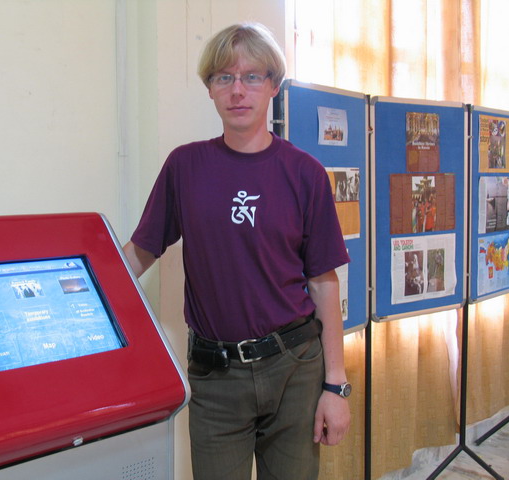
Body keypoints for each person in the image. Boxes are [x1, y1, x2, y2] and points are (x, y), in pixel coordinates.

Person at [123, 22, 351, 480]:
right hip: (215, 377)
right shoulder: (185, 166)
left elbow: (323, 283)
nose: (238, 90)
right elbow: (139, 253)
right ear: (209, 89)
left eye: (252, 77)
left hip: (295, 369)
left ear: (273, 86)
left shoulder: (304, 173)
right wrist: (84, 289)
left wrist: (335, 386)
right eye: (224, 77)